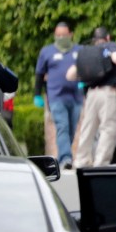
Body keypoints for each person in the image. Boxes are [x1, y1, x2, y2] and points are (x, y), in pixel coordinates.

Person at [73, 28, 116, 168]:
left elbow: (71, 74)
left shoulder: (88, 52)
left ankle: (81, 160)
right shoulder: (110, 46)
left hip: (91, 94)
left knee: (87, 128)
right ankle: (100, 163)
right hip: (108, 93)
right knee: (108, 128)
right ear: (108, 37)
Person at [34, 22, 82, 170]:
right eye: (58, 35)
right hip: (56, 97)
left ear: (70, 34)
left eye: (64, 35)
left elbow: (87, 69)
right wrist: (37, 94)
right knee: (62, 126)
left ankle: (65, 154)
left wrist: (84, 83)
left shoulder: (79, 50)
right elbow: (40, 74)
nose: (61, 38)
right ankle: (65, 158)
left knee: (71, 129)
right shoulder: (47, 52)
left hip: (76, 97)